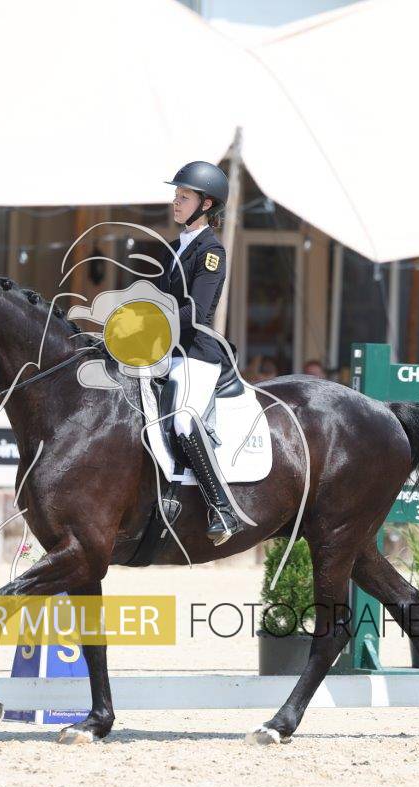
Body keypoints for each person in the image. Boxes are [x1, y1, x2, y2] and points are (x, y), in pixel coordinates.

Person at [156, 160, 247, 546]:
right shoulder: (173, 248)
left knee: (182, 421)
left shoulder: (211, 252)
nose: (176, 202)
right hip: (166, 351)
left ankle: (222, 508)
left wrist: (154, 323)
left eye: (184, 197)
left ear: (205, 205)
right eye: (176, 195)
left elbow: (195, 311)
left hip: (196, 353)